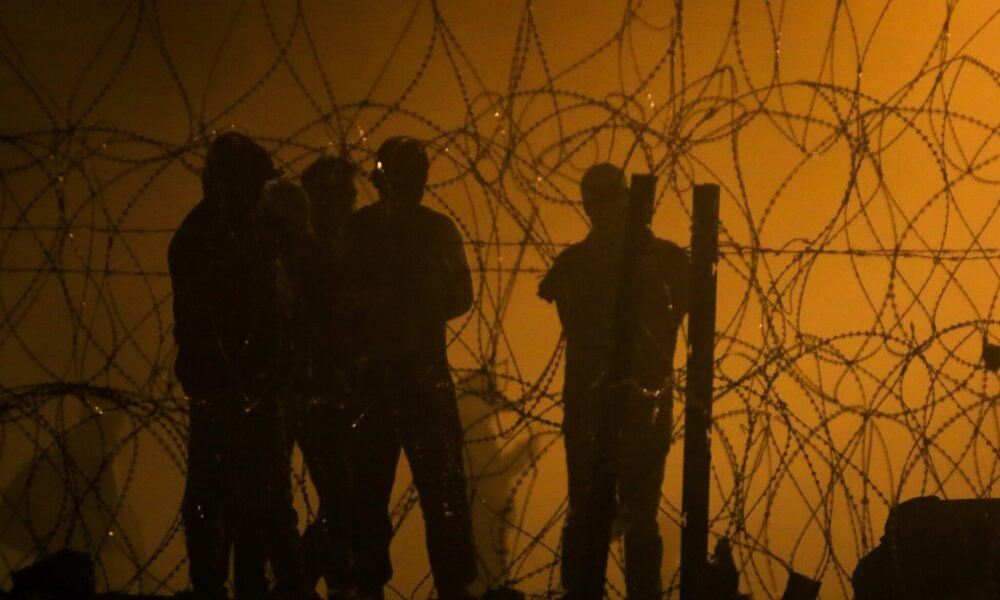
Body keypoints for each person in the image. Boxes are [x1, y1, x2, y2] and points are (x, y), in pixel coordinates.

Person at [538, 163, 689, 600]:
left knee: (631, 511)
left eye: (614, 200)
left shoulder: (659, 259)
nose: (610, 211)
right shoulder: (580, 265)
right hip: (605, 401)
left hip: (638, 398)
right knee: (592, 509)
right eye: (601, 202)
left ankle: (628, 592)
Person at [169, 132, 307, 600]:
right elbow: (210, 321)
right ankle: (227, 583)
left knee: (256, 494)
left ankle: (256, 582)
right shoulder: (206, 238)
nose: (257, 195)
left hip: (251, 385)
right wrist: (249, 380)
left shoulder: (244, 231)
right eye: (251, 185)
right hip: (232, 387)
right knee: (231, 493)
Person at [344, 136, 476, 600]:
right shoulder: (436, 230)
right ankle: (448, 587)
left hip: (380, 379)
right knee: (437, 496)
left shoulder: (360, 229)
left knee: (372, 496)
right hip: (418, 378)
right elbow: (462, 297)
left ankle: (370, 584)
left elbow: (338, 300)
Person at [295, 156, 359, 599]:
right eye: (346, 197)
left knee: (345, 497)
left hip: (342, 388)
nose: (353, 204)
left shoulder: (344, 246)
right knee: (342, 497)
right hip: (317, 390)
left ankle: (321, 577)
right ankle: (297, 579)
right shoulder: (306, 253)